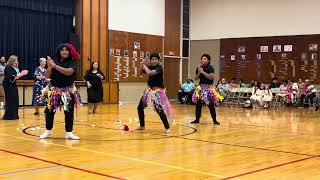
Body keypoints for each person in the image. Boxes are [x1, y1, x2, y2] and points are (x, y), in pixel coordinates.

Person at [40, 44, 81, 139]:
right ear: (59, 51)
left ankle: (69, 132)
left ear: (69, 52)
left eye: (66, 50)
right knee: (49, 111)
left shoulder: (72, 62)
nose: (64, 52)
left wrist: (55, 66)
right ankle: (48, 131)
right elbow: (47, 76)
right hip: (54, 90)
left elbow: (69, 72)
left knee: (69, 112)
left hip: (68, 91)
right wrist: (50, 67)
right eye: (62, 50)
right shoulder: (55, 61)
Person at [135, 53, 173, 133]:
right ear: (150, 60)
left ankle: (167, 128)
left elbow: (149, 73)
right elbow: (139, 73)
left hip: (157, 92)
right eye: (152, 59)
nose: (154, 60)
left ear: (158, 60)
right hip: (149, 91)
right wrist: (142, 65)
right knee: (140, 107)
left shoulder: (159, 68)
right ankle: (142, 126)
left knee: (159, 109)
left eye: (156, 59)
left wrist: (145, 66)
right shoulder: (150, 67)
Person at [191, 54, 223, 125]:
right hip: (200, 88)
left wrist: (202, 72)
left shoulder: (210, 68)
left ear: (208, 61)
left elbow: (211, 77)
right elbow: (196, 79)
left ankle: (214, 120)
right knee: (198, 104)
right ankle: (197, 119)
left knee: (210, 104)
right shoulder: (199, 68)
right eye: (202, 59)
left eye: (205, 59)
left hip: (208, 88)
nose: (203, 60)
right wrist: (199, 72)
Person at [2, 55, 29, 120]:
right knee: (11, 99)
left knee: (15, 99)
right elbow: (12, 77)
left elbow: (16, 77)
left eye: (17, 61)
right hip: (8, 85)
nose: (16, 62)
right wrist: (22, 74)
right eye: (15, 61)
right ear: (11, 61)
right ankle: (9, 116)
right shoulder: (8, 67)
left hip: (12, 85)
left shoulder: (14, 68)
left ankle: (14, 115)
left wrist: (21, 74)